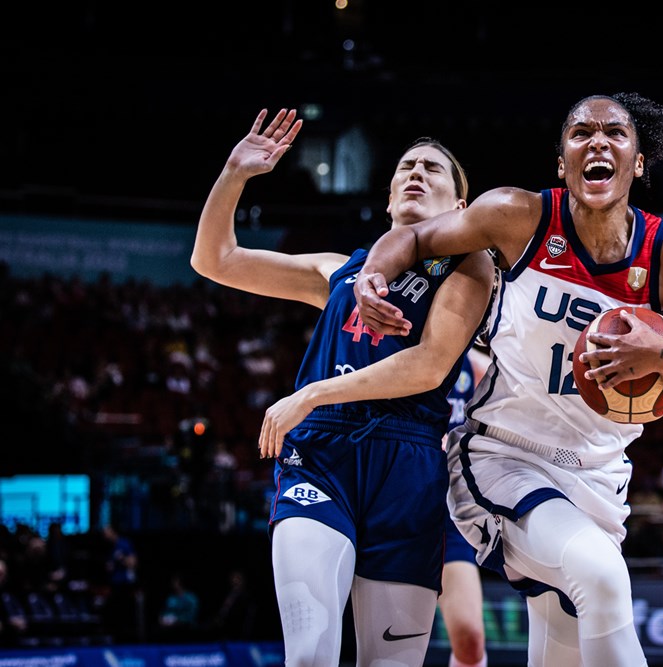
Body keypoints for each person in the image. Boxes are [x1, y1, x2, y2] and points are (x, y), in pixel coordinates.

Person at [354, 93, 663, 666]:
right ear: (562, 162)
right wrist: (371, 277)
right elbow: (415, 238)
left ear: (638, 162)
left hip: (600, 478)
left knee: (564, 642)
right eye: (581, 134)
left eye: (614, 134)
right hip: (505, 457)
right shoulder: (517, 216)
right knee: (603, 581)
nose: (597, 143)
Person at [190, 108, 494, 667]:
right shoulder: (339, 271)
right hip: (322, 456)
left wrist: (310, 394)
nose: (415, 173)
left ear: (459, 208)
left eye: (432, 169)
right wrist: (234, 172)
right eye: (405, 167)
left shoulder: (469, 268)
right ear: (386, 200)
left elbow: (428, 367)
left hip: (410, 466)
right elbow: (215, 260)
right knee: (309, 656)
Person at [441, 345, 492, 667]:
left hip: (448, 509)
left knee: (469, 640)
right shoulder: (394, 339)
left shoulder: (475, 363)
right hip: (393, 499)